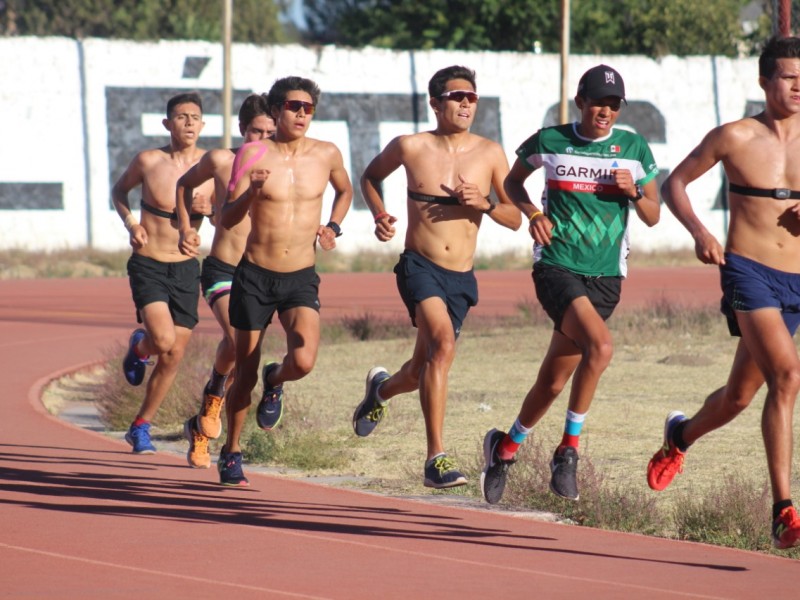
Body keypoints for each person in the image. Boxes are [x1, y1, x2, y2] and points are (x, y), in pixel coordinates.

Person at [645, 36, 800, 550]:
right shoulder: (735, 136)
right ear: (764, 80)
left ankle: (680, 436)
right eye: (787, 76)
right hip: (748, 271)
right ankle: (783, 511)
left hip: (796, 280)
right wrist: (701, 233)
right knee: (787, 374)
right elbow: (675, 185)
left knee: (739, 396)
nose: (798, 85)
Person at [480, 64, 660, 504]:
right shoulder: (550, 140)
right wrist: (535, 215)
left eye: (614, 104)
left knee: (554, 382)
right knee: (600, 348)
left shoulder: (633, 148)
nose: (606, 110)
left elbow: (654, 214)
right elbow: (510, 184)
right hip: (557, 267)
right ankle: (568, 452)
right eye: (598, 101)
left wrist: (635, 192)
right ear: (580, 101)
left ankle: (504, 448)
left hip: (606, 278)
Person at [351, 65, 522, 489]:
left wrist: (483, 202)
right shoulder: (411, 146)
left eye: (472, 97)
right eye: (456, 96)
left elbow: (515, 217)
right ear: (435, 102)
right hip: (419, 265)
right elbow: (370, 176)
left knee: (422, 366)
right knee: (443, 346)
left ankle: (381, 391)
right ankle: (436, 459)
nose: (466, 103)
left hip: (461, 277)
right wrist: (380, 214)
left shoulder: (490, 153)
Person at [216, 76, 353, 486]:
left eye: (308, 108)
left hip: (300, 276)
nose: (301, 114)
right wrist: (250, 194)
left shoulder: (326, 154)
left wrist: (333, 226)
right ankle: (232, 451)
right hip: (255, 274)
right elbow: (228, 217)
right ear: (276, 110)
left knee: (305, 360)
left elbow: (345, 192)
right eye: (294, 106)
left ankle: (275, 380)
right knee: (244, 370)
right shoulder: (254, 154)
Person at [175, 94, 276, 470]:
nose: (261, 140)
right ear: (241, 129)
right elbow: (184, 186)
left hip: (260, 274)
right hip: (222, 269)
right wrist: (187, 227)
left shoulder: (284, 165)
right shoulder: (221, 160)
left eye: (269, 132)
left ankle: (202, 423)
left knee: (239, 353)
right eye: (255, 131)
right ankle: (214, 399)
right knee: (237, 340)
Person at [112, 91, 214, 455]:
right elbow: (119, 191)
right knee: (164, 340)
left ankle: (140, 426)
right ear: (167, 124)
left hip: (186, 268)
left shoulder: (214, 167)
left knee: (173, 356)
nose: (189, 122)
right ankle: (140, 347)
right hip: (149, 263)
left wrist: (212, 209)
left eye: (195, 116)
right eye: (181, 116)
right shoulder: (149, 161)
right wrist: (130, 223)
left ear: (203, 124)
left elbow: (231, 215)